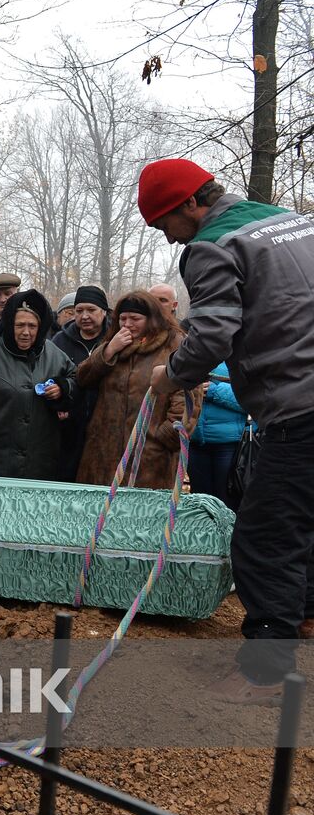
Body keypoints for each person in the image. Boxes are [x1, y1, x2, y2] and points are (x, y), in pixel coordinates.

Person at [139, 158, 314, 703]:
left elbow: (213, 333)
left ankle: (266, 672)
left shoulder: (213, 246)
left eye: (165, 223)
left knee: (264, 539)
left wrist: (170, 377)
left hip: (298, 406)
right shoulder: (293, 221)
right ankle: (307, 618)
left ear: (191, 204)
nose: (168, 238)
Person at [75, 290, 198, 490]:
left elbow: (187, 399)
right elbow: (82, 378)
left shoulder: (174, 345)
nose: (127, 324)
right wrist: (108, 350)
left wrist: (162, 437)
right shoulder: (116, 344)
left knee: (143, 515)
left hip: (150, 457)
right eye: (122, 318)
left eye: (135, 318)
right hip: (104, 454)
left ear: (152, 319)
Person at [0, 290, 76, 479]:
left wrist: (63, 387)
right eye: (20, 325)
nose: (26, 332)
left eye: (32, 326)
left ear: (40, 328)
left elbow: (75, 378)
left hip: (39, 458)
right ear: (10, 325)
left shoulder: (53, 353)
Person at [50, 285, 110, 481]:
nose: (85, 316)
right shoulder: (59, 341)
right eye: (79, 310)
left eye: (91, 310)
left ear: (103, 312)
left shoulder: (115, 340)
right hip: (67, 428)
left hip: (106, 427)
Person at [189, 361, 248, 507]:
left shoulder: (240, 358)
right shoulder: (195, 356)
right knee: (200, 504)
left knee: (227, 501)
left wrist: (214, 391)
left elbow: (250, 400)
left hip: (229, 446)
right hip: (196, 443)